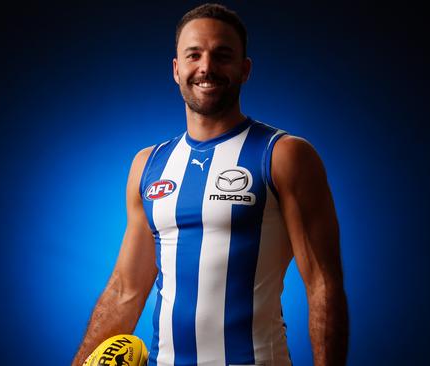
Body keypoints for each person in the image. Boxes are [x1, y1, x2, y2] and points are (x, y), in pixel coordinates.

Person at [72, 3, 348, 366]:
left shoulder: (283, 155)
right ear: (176, 69)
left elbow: (322, 286)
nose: (206, 67)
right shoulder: (148, 165)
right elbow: (126, 289)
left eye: (222, 55)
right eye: (194, 55)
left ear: (245, 69)